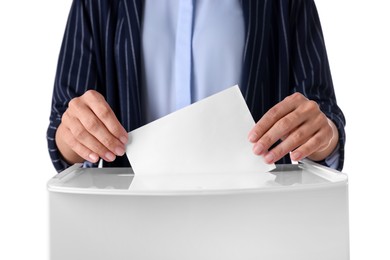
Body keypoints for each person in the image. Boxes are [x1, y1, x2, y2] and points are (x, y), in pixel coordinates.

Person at [47, 0, 345, 173]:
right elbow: (65, 124)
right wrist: (74, 134)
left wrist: (324, 135)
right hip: (133, 222)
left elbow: (321, 110)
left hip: (256, 222)